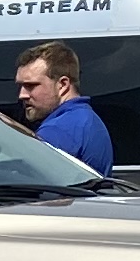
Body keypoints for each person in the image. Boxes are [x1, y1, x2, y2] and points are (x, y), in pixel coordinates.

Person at [12, 44, 116, 172]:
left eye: (31, 86)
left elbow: (25, 179)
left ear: (62, 84)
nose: (22, 95)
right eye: (20, 86)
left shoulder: (58, 130)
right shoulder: (86, 119)